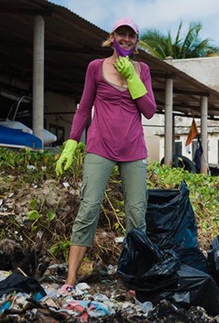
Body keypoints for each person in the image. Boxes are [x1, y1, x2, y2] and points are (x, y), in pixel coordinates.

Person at [55, 17, 157, 294]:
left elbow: (149, 110)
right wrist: (71, 143)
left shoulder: (142, 69)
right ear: (112, 37)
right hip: (100, 147)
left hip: (133, 150)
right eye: (120, 35)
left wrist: (133, 79)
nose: (125, 40)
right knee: (88, 208)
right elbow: (83, 106)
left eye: (131, 36)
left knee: (137, 215)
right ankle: (71, 279)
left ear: (136, 41)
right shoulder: (96, 67)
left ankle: (135, 280)